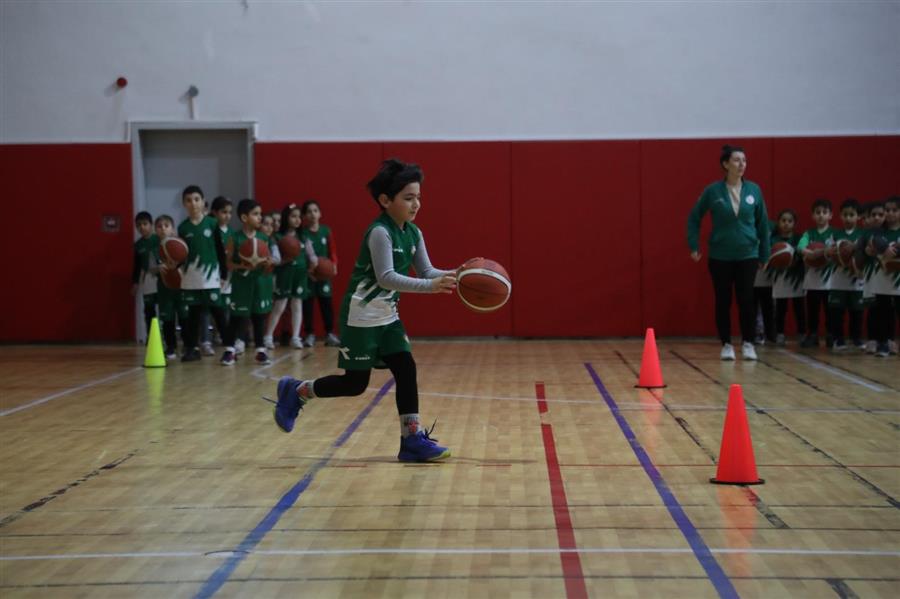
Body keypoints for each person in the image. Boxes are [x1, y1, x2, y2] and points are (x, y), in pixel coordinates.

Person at [273, 158, 459, 462]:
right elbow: (387, 277)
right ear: (385, 200)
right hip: (361, 315)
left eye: (419, 197)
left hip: (388, 316)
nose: (416, 204)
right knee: (354, 384)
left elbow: (426, 270)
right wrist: (432, 286)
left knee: (406, 368)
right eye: (408, 198)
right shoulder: (379, 232)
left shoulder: (413, 233)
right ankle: (297, 391)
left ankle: (411, 440)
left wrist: (459, 274)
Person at [687, 144, 770, 361]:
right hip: (720, 256)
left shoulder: (754, 190)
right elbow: (694, 217)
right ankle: (726, 344)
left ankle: (749, 343)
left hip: (748, 254)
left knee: (746, 299)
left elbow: (763, 225)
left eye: (744, 160)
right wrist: (694, 245)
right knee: (723, 300)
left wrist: (765, 254)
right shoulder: (712, 191)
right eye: (736, 160)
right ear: (725, 164)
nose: (741, 164)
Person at [220, 199, 277, 366]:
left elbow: (269, 265)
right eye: (256, 214)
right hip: (241, 283)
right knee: (236, 318)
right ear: (244, 217)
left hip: (260, 283)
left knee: (259, 317)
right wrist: (244, 265)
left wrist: (268, 264)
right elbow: (228, 263)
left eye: (260, 214)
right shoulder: (234, 238)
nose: (260, 217)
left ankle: (260, 351)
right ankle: (230, 350)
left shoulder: (263, 238)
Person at [177, 185, 229, 362]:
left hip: (211, 279)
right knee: (192, 316)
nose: (193, 204)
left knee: (218, 313)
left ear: (203, 201)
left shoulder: (212, 224)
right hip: (190, 278)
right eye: (189, 200)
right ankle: (192, 348)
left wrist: (223, 274)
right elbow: (180, 254)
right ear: (184, 204)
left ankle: (229, 348)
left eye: (196, 199)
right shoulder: (183, 228)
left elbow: (221, 251)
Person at [265, 203, 317, 349]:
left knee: (297, 304)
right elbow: (275, 258)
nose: (297, 219)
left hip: (300, 274)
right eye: (293, 216)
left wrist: (314, 264)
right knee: (280, 305)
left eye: (299, 217)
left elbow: (311, 255)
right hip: (284, 273)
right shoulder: (277, 237)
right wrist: (283, 260)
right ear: (285, 218)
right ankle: (268, 336)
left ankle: (295, 337)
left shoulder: (303, 236)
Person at [301, 200, 342, 347]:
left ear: (320, 213)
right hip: (309, 275)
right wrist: (308, 270)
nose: (313, 214)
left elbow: (332, 250)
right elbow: (301, 254)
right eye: (309, 211)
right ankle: (309, 334)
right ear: (305, 215)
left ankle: (330, 333)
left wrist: (333, 265)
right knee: (308, 305)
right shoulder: (303, 233)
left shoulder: (326, 231)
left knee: (326, 304)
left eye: (315, 210)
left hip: (324, 275)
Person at [798, 198, 836, 348]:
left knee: (830, 312)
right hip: (812, 280)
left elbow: (837, 249)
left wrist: (822, 253)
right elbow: (800, 247)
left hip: (831, 281)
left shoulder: (834, 233)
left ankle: (830, 334)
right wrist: (811, 253)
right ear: (813, 215)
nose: (821, 215)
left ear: (830, 215)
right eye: (817, 212)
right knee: (812, 311)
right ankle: (812, 335)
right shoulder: (809, 233)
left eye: (824, 212)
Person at [827, 198, 864, 351]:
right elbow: (829, 253)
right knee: (837, 312)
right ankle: (838, 339)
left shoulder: (862, 235)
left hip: (857, 281)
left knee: (857, 312)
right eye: (845, 215)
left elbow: (865, 256)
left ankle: (856, 339)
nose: (848, 218)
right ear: (840, 216)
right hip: (838, 280)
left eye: (851, 214)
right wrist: (835, 255)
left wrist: (855, 261)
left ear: (858, 216)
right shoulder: (835, 234)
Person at [866, 196, 900, 357]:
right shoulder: (879, 230)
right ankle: (883, 343)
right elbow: (875, 241)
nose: (890, 213)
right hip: (882, 278)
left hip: (898, 278)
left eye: (894, 210)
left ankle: (892, 341)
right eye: (887, 210)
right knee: (882, 311)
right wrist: (883, 247)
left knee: (895, 311)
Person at [154, 214, 188, 359]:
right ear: (156, 230)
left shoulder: (180, 245)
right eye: (159, 226)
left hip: (181, 288)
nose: (163, 229)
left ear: (172, 229)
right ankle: (171, 347)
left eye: (166, 226)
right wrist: (157, 268)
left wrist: (179, 269)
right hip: (164, 288)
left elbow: (187, 265)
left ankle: (188, 345)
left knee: (184, 317)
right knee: (167, 319)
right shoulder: (154, 248)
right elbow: (150, 268)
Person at [770, 209, 806, 345]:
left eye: (789, 221)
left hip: (797, 278)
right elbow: (770, 257)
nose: (786, 224)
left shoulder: (799, 238)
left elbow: (802, 255)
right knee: (780, 308)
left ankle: (802, 333)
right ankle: (779, 333)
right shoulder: (773, 240)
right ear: (778, 223)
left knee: (799, 308)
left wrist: (793, 259)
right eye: (783, 221)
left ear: (794, 223)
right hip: (780, 278)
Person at [860, 200, 886, 353]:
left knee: (886, 310)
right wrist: (864, 253)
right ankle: (872, 339)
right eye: (873, 215)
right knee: (872, 309)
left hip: (887, 277)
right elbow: (858, 254)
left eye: (880, 215)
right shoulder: (865, 235)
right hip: (870, 276)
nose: (877, 218)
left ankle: (886, 340)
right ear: (867, 217)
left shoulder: (887, 233)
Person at [131, 211, 158, 341]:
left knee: (166, 309)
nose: (142, 227)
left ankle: (169, 340)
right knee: (149, 310)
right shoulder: (138, 245)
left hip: (163, 278)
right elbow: (137, 266)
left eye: (145, 224)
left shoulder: (159, 239)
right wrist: (135, 283)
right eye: (139, 225)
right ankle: (151, 337)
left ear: (151, 225)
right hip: (148, 279)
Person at [753, 217, 777, 345]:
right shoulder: (746, 223)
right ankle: (755, 334)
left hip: (768, 277)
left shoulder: (772, 226)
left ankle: (771, 335)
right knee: (752, 308)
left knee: (769, 308)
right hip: (751, 276)